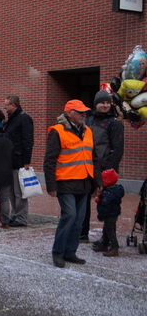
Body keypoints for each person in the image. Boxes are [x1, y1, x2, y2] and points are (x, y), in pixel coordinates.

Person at [44, 99, 102, 268]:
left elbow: (94, 158)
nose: (84, 115)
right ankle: (58, 253)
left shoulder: (88, 131)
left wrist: (98, 180)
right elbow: (49, 161)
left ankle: (70, 252)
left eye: (84, 112)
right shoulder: (58, 131)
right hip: (65, 182)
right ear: (69, 113)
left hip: (84, 182)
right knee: (69, 216)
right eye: (80, 112)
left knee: (79, 220)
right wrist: (51, 186)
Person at [80, 89, 124, 244]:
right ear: (95, 104)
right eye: (102, 102)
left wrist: (109, 171)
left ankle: (107, 239)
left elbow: (117, 149)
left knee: (106, 204)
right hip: (87, 166)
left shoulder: (114, 122)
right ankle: (82, 233)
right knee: (84, 200)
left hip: (105, 169)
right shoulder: (89, 120)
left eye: (107, 103)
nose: (105, 105)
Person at [3, 95, 34, 227]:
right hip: (11, 159)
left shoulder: (22, 118)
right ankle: (15, 214)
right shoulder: (12, 119)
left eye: (7, 105)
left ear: (13, 105)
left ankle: (21, 217)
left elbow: (28, 140)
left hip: (19, 160)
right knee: (11, 190)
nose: (5, 107)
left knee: (19, 191)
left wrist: (26, 160)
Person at [92, 169, 124, 257]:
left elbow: (105, 207)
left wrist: (101, 216)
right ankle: (104, 245)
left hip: (109, 214)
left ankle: (115, 248)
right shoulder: (113, 190)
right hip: (113, 213)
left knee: (110, 231)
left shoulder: (108, 194)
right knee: (106, 229)